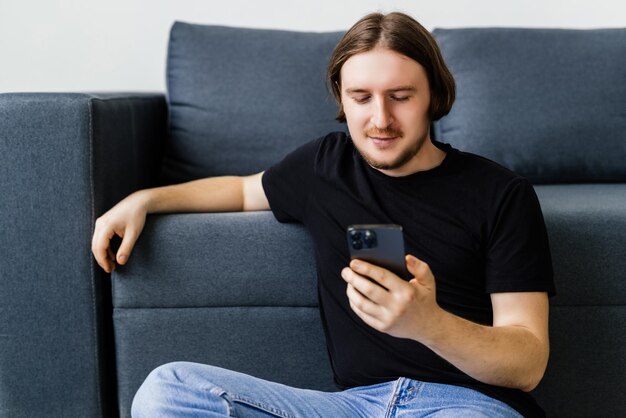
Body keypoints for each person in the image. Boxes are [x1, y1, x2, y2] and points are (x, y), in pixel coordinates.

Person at [92, 11, 555, 418]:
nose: (380, 119)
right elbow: (239, 190)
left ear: (434, 94)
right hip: (353, 406)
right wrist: (146, 199)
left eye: (400, 96)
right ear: (341, 97)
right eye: (361, 97)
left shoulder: (501, 193)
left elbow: (528, 362)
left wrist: (428, 324)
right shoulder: (324, 167)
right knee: (168, 391)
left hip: (466, 406)